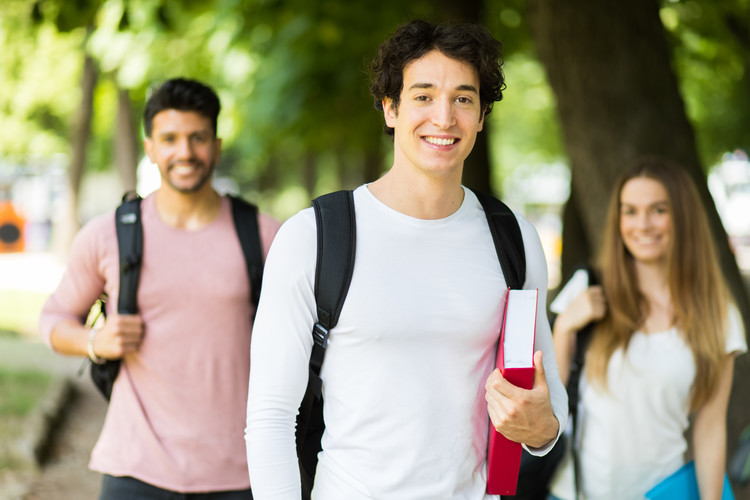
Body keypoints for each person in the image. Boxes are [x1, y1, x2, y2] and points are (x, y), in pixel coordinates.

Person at [245, 20, 568, 499]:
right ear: (390, 108)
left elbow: (549, 409)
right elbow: (271, 415)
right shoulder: (314, 237)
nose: (444, 117)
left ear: (482, 116)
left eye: (463, 98)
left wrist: (541, 428)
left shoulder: (514, 240)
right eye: (423, 95)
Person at [39, 77, 281, 499]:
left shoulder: (264, 235)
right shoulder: (109, 235)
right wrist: (96, 340)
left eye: (197, 138)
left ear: (217, 145)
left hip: (241, 473)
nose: (184, 152)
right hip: (135, 469)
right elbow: (53, 320)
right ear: (150, 147)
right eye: (169, 138)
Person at [548, 157, 747, 500]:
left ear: (683, 218)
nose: (642, 224)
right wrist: (564, 326)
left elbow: (710, 427)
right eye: (630, 211)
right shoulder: (586, 288)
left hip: (660, 491)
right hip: (573, 493)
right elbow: (549, 399)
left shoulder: (717, 313)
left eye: (658, 210)